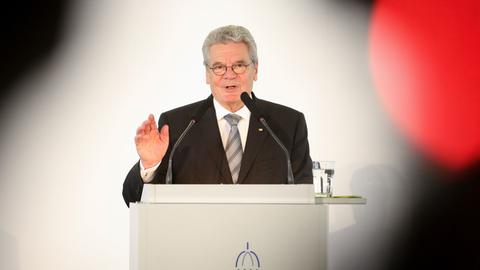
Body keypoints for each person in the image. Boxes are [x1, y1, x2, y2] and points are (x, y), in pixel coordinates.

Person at [122, 25, 313, 206]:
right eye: (219, 67)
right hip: (199, 237)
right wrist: (149, 164)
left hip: (268, 238)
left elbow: (305, 197)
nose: (229, 75)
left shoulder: (287, 124)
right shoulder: (178, 125)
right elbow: (133, 199)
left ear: (255, 69)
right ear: (207, 74)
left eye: (239, 65)